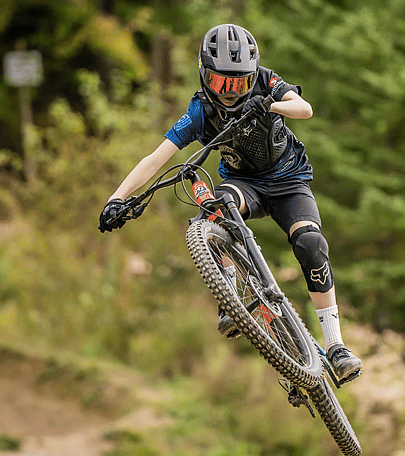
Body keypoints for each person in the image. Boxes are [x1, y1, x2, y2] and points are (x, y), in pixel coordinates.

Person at [98, 23, 362, 382]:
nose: (229, 93)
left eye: (238, 84)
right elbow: (156, 159)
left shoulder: (265, 82)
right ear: (205, 75)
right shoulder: (200, 111)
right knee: (217, 205)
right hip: (245, 185)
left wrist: (270, 103)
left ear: (251, 76)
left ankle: (336, 346)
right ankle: (231, 296)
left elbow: (305, 109)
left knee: (311, 244)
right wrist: (118, 198)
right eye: (221, 83)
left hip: (289, 182)